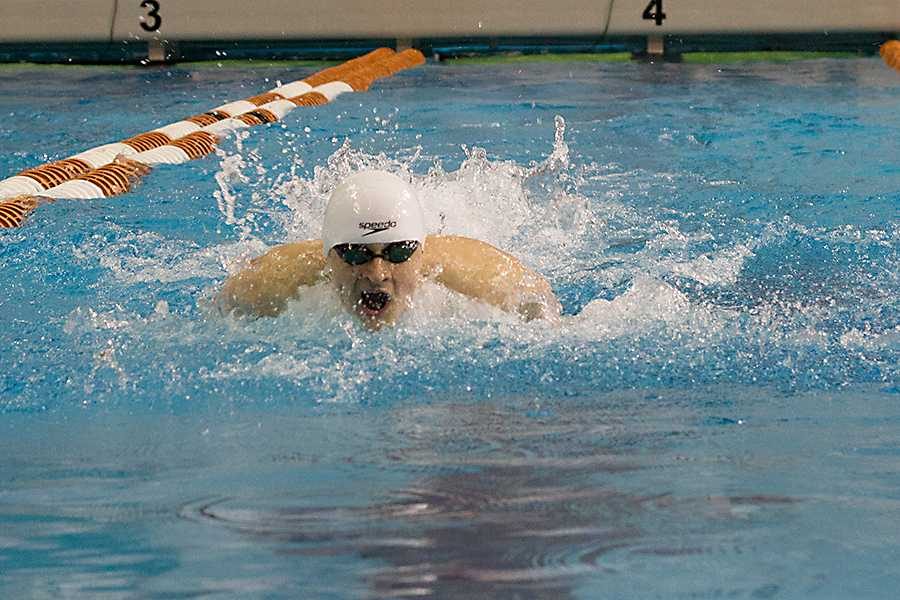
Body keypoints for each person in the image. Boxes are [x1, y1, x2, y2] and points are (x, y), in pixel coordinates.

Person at [218, 170, 561, 330]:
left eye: (397, 253)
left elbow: (541, 304)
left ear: (420, 255)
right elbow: (220, 308)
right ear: (329, 258)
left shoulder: (475, 277)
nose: (377, 273)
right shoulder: (270, 284)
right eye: (355, 253)